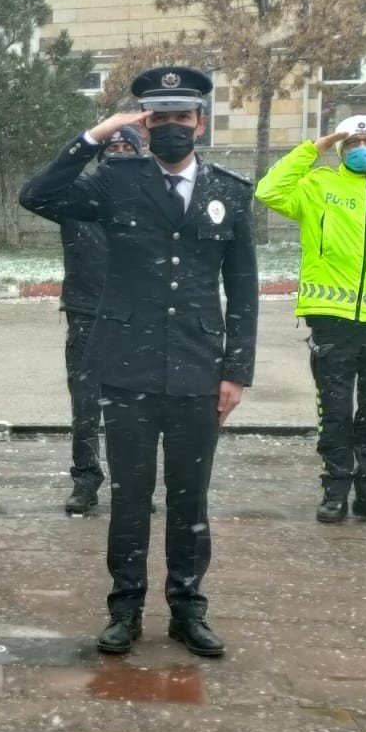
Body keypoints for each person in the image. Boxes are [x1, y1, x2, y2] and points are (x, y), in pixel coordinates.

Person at [19, 66, 258, 659]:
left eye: (182, 117)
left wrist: (236, 370)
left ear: (200, 123)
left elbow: (244, 289)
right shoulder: (115, 182)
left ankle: (186, 607)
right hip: (127, 363)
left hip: (198, 366)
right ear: (145, 124)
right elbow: (37, 195)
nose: (172, 127)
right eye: (160, 118)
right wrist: (95, 136)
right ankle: (124, 607)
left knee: (189, 495)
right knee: (130, 495)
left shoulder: (229, 191)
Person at [256, 114, 366, 523]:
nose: (363, 149)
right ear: (342, 148)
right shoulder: (318, 185)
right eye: (354, 142)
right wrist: (314, 148)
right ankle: (335, 489)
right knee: (336, 411)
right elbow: (269, 190)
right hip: (331, 322)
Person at [22, 125, 143, 515]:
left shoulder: (151, 201)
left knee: (135, 411)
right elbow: (35, 194)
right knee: (87, 408)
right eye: (113, 148)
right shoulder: (79, 201)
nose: (120, 153)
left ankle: (134, 486)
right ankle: (86, 480)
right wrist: (85, 143)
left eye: (128, 147)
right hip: (87, 314)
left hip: (137, 317)